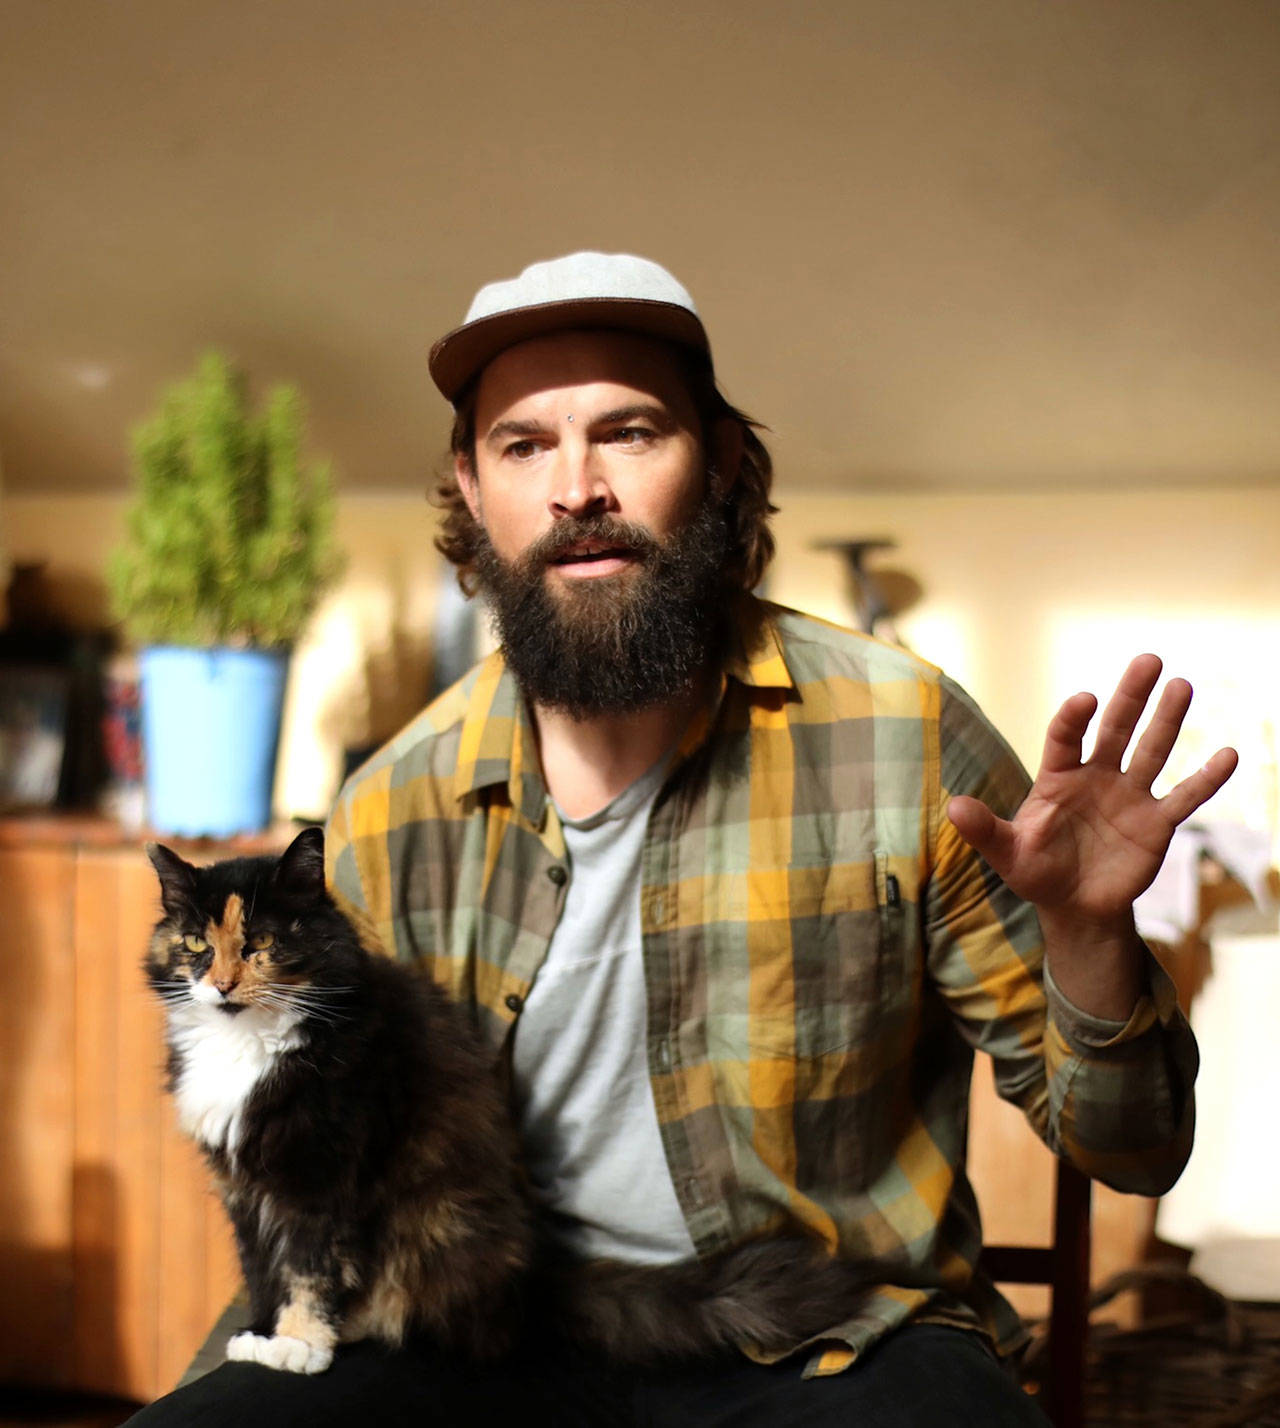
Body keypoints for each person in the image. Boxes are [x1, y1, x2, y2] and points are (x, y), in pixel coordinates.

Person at [133, 252, 1237, 1426]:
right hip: (484, 1324)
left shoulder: (903, 736)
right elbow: (309, 1173)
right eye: (523, 446)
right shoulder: (391, 804)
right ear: (471, 486)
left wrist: (1087, 936)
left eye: (629, 432)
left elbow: (1135, 1150)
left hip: (827, 1343)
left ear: (714, 463)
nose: (577, 488)